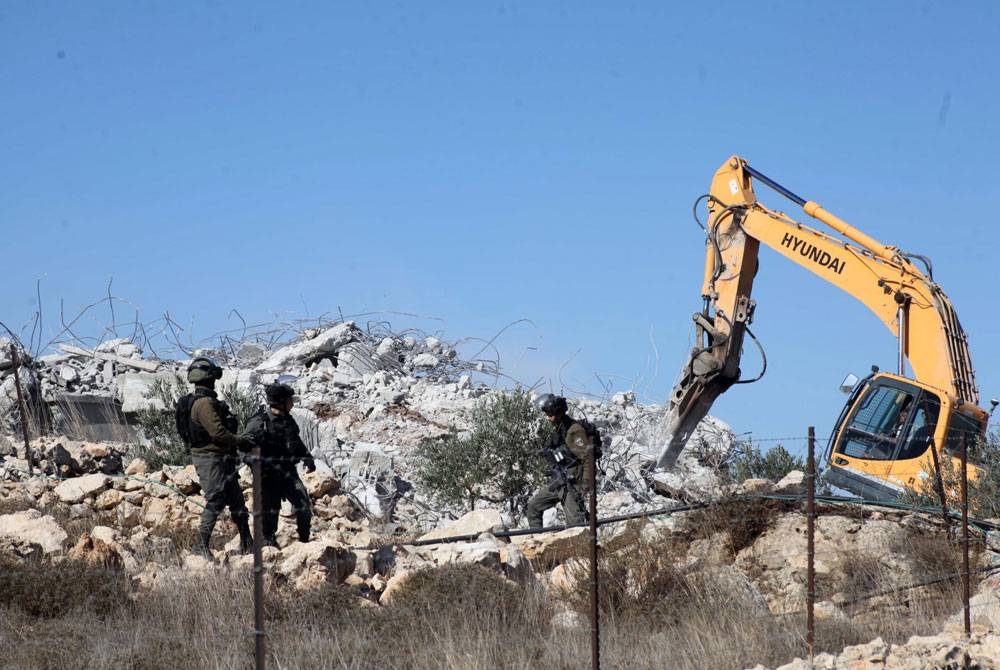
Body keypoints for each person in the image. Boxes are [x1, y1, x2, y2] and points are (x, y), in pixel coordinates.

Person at [185, 357, 254, 557]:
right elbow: (218, 433)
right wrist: (240, 440)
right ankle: (200, 545)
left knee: (236, 500)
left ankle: (247, 541)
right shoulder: (204, 403)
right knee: (216, 500)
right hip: (210, 459)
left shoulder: (205, 401)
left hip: (220, 457)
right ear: (209, 377)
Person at [241, 383, 315, 547]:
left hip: (288, 473)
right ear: (281, 401)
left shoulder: (288, 419)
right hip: (268, 477)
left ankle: (304, 542)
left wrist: (307, 457)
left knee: (303, 506)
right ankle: (269, 546)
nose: (292, 403)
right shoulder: (259, 422)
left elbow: (296, 441)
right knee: (270, 515)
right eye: (289, 400)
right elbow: (243, 448)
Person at [525, 394, 595, 529]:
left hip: (573, 484)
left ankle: (582, 548)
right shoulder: (560, 429)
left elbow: (587, 458)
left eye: (550, 415)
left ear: (559, 413)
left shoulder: (574, 431)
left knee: (575, 525)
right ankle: (538, 544)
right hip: (560, 481)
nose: (548, 418)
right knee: (533, 507)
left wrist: (586, 484)